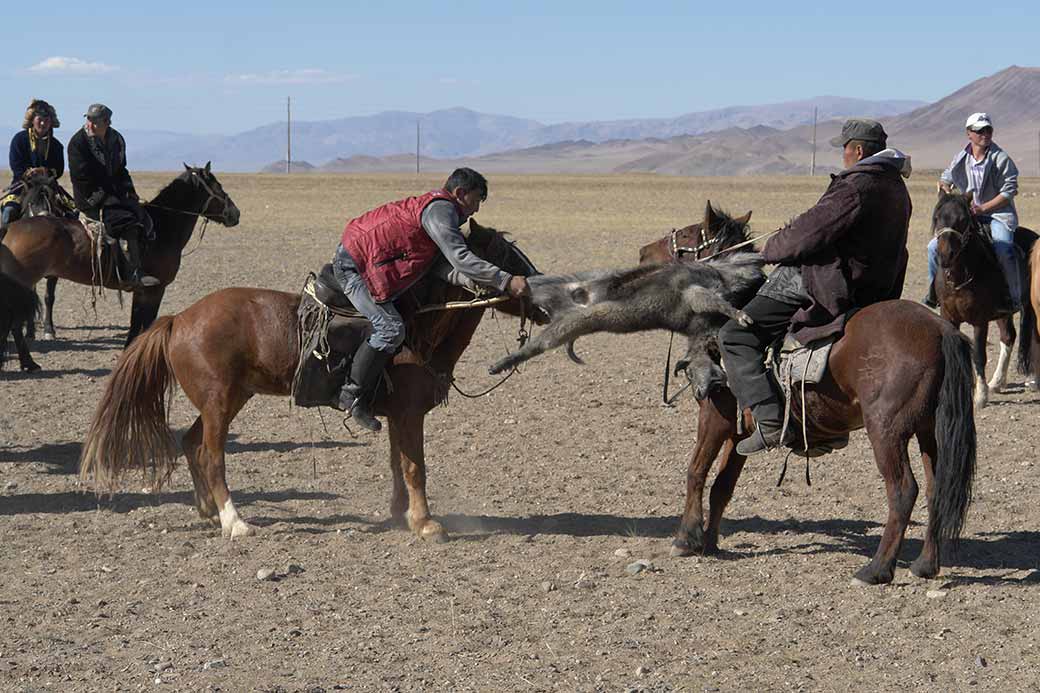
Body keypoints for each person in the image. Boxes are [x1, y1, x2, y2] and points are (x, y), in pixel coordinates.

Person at [718, 119, 913, 456]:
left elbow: (810, 233)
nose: (843, 155)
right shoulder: (896, 186)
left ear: (859, 150)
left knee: (735, 336)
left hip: (831, 281)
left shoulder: (856, 185)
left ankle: (769, 420)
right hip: (876, 287)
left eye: (844, 149)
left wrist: (772, 248)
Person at [331, 167, 531, 431]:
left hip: (371, 261)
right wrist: (505, 280)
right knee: (390, 328)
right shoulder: (441, 211)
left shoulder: (440, 212)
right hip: (354, 265)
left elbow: (438, 266)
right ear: (460, 193)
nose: (476, 210)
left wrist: (473, 283)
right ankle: (351, 394)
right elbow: (460, 257)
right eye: (476, 200)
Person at [923, 112, 1020, 311]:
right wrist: (945, 189)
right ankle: (934, 292)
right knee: (933, 248)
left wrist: (983, 207)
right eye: (979, 130)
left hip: (997, 214)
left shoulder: (1000, 158)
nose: (985, 134)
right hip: (967, 215)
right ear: (969, 134)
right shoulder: (961, 157)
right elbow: (945, 178)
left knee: (1004, 250)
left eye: (988, 130)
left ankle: (1013, 297)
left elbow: (1009, 191)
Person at [67, 103, 158, 288]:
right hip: (91, 198)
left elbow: (121, 169)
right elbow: (80, 177)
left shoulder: (117, 139)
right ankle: (132, 274)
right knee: (126, 223)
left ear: (107, 122)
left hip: (115, 193)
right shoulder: (78, 142)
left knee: (144, 217)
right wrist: (103, 198)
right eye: (89, 119)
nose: (90, 124)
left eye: (95, 121)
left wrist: (129, 191)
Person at [1, 99, 67, 238]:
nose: (43, 123)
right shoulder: (19, 140)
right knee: (9, 212)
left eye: (46, 119)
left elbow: (59, 170)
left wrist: (45, 171)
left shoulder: (56, 145)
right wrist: (30, 173)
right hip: (23, 186)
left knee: (71, 214)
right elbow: (16, 166)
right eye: (40, 119)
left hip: (49, 187)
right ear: (32, 120)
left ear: (51, 121)